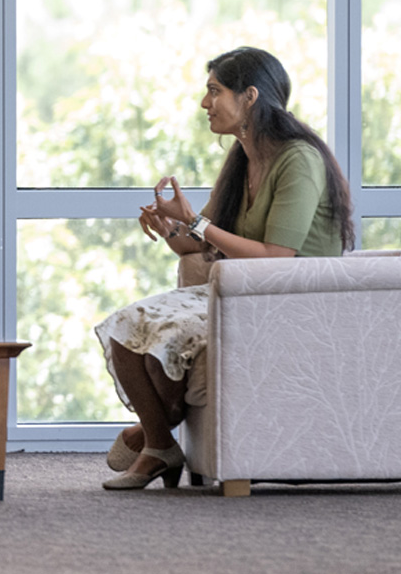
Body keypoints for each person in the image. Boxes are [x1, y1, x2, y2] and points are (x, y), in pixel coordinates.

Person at [94, 46, 354, 491]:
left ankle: (151, 441)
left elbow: (276, 258)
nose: (204, 103)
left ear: (249, 96)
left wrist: (196, 221)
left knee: (152, 339)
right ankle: (159, 445)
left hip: (289, 303)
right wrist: (171, 223)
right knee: (126, 333)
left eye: (215, 91)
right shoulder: (242, 158)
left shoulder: (299, 159)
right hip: (240, 294)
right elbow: (195, 243)